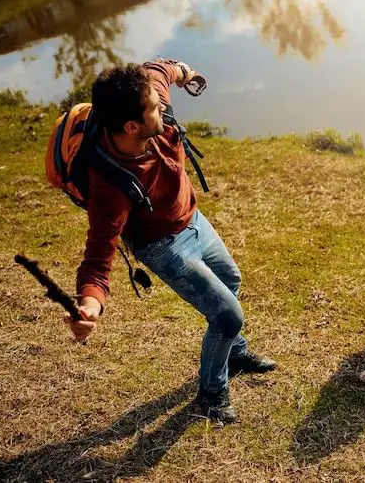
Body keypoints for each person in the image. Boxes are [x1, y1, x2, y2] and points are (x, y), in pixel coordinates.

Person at [64, 60, 276, 423]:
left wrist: (183, 71)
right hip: (164, 246)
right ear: (132, 126)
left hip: (193, 220)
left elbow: (159, 71)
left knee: (232, 281)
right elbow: (98, 259)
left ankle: (235, 353)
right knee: (227, 315)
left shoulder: (148, 100)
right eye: (154, 107)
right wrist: (89, 308)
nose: (162, 106)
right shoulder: (110, 187)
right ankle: (211, 395)